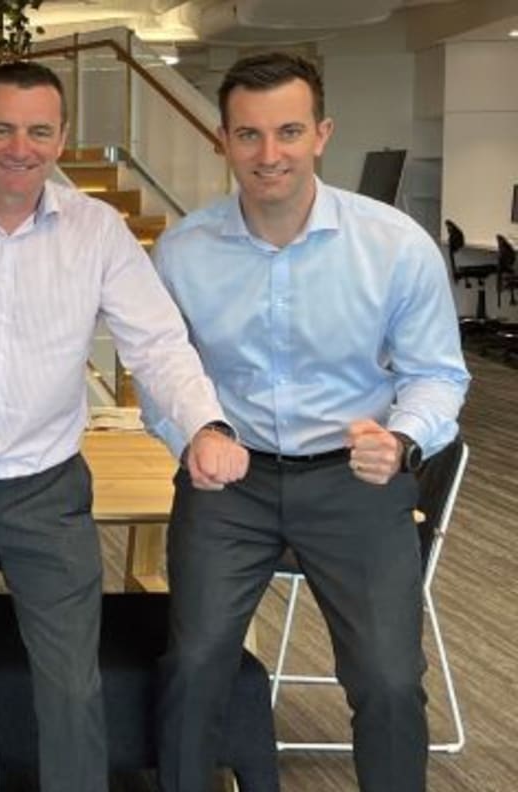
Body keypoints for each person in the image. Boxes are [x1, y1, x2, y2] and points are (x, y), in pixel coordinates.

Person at [0, 61, 243, 792]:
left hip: (48, 490)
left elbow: (157, 344)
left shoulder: (98, 231)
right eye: (2, 128)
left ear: (61, 139)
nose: (19, 147)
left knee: (70, 685)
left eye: (38, 131)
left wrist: (204, 426)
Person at [151, 52, 469, 792]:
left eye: (289, 131)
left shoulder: (394, 245)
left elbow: (439, 374)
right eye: (249, 134)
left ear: (322, 133)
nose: (270, 154)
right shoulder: (182, 252)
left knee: (388, 679)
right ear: (223, 140)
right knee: (194, 665)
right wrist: (194, 434)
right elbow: (163, 373)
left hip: (354, 481)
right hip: (231, 483)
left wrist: (403, 440)